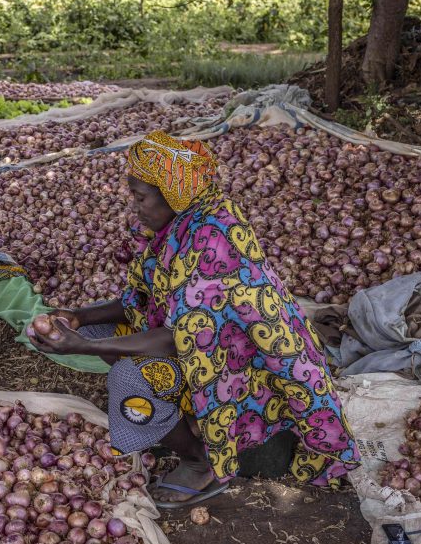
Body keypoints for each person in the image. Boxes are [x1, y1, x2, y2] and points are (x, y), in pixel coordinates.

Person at [31, 131, 360, 508]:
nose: (134, 208)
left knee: (128, 377)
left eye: (140, 198)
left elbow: (179, 338)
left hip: (243, 373)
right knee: (102, 329)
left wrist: (86, 346)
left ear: (172, 193)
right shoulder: (177, 229)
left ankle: (200, 458)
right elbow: (142, 301)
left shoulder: (212, 242)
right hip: (200, 351)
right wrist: (79, 318)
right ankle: (172, 418)